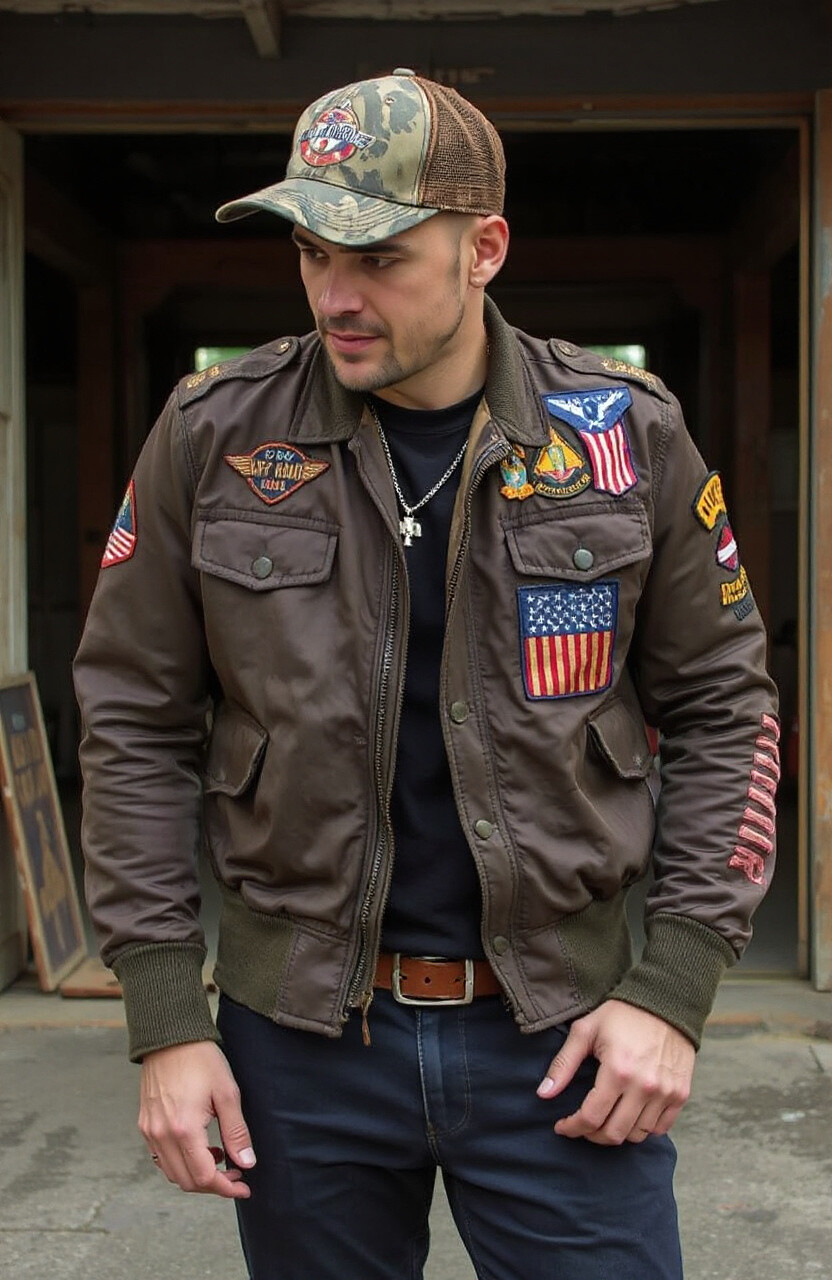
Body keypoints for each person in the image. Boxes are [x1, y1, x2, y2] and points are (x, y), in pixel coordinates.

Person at [74, 69, 779, 1280]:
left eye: (379, 259)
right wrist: (165, 1015)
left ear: (483, 248)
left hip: (560, 1033)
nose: (334, 296)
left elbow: (726, 705)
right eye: (311, 254)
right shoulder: (214, 435)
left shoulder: (623, 435)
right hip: (300, 1043)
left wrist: (672, 986)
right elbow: (132, 719)